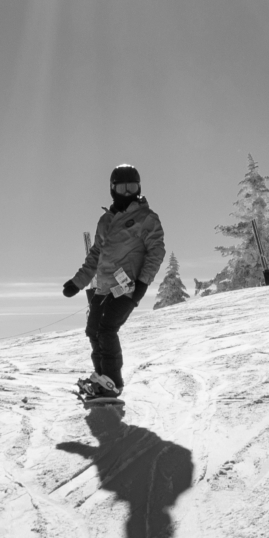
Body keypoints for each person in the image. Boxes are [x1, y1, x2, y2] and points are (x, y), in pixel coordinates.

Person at [63, 163, 167, 402]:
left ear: (139, 188)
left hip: (127, 287)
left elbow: (156, 252)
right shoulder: (105, 221)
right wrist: (78, 282)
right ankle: (101, 378)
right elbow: (95, 255)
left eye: (133, 187)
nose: (128, 192)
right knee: (93, 331)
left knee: (107, 330)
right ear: (113, 189)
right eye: (123, 187)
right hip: (103, 288)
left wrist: (141, 285)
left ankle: (113, 382)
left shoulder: (146, 218)